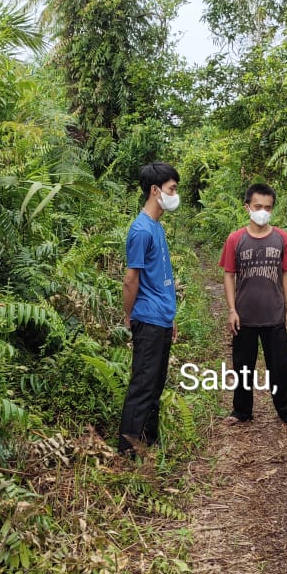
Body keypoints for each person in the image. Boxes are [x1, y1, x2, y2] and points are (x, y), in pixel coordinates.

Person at [219, 183, 287, 430]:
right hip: (244, 316)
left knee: (280, 366)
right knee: (242, 366)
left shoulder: (281, 238)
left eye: (268, 207)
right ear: (247, 207)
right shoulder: (235, 239)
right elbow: (228, 275)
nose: (263, 211)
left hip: (275, 314)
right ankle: (241, 410)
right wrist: (232, 310)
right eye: (258, 206)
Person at [118, 162, 180, 455]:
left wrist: (171, 318)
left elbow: (160, 278)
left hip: (161, 318)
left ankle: (148, 442)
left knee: (154, 386)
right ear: (155, 191)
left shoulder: (156, 227)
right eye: (172, 189)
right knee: (143, 387)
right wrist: (129, 316)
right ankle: (127, 451)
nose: (174, 194)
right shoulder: (141, 230)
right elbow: (131, 280)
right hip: (148, 320)